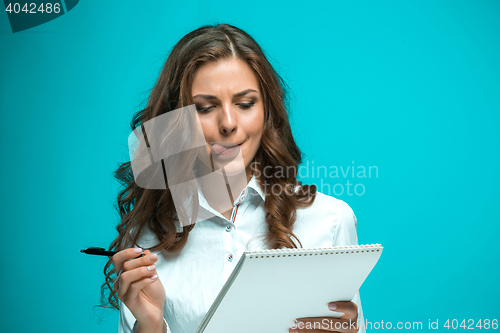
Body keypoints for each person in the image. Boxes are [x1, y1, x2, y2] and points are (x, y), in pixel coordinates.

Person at [100, 23, 365, 333]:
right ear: (176, 120)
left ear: (267, 111)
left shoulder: (331, 221)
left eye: (245, 104)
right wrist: (150, 325)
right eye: (205, 107)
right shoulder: (147, 235)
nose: (228, 123)